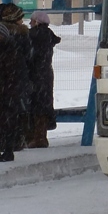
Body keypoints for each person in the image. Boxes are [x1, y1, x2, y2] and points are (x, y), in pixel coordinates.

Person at [0, 20, 29, 161]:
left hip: (6, 94)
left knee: (7, 123)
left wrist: (11, 92)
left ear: (2, 36)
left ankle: (8, 151)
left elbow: (16, 75)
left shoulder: (11, 52)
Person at [26, 11, 61, 149]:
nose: (30, 23)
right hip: (46, 74)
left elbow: (29, 55)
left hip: (34, 75)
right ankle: (41, 136)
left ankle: (35, 137)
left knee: (34, 104)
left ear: (37, 22)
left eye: (32, 20)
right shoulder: (49, 35)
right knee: (43, 104)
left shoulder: (33, 35)